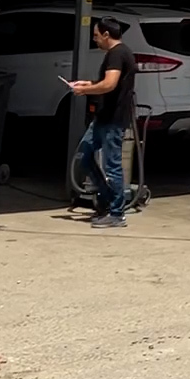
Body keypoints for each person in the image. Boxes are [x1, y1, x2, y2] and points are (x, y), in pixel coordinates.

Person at [69, 17, 135, 228]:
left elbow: (109, 84)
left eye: (96, 35)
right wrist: (89, 83)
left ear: (107, 35)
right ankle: (105, 200)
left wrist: (85, 90)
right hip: (103, 117)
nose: (95, 39)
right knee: (84, 156)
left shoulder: (117, 54)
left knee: (112, 166)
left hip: (113, 120)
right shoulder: (116, 54)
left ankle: (116, 213)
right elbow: (107, 83)